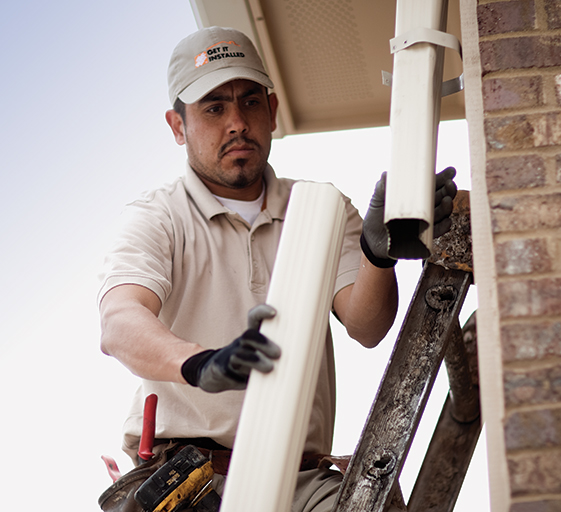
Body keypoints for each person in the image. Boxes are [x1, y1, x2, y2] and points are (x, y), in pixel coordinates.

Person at [98, 26, 457, 512]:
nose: (236, 123)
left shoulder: (322, 210)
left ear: (270, 111)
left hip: (303, 482)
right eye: (213, 108)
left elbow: (367, 325)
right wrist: (202, 364)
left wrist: (379, 254)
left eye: (249, 102)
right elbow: (120, 323)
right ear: (177, 125)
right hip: (190, 481)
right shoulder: (158, 217)